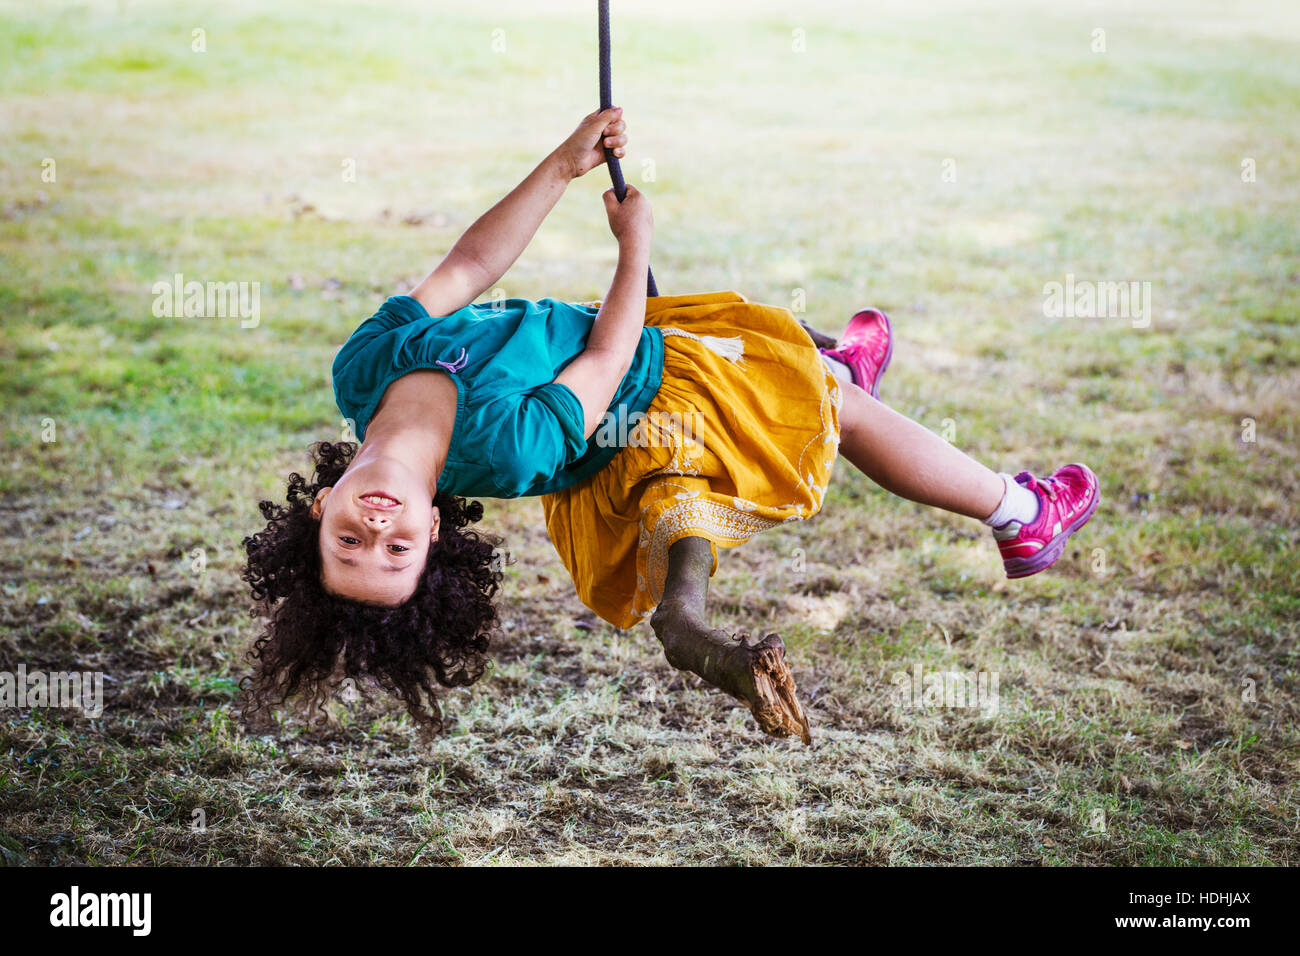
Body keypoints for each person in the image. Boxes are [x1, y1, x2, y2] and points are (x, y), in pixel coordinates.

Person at [242, 108, 1099, 742]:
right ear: (433, 530)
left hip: (628, 350)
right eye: (398, 555)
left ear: (322, 510)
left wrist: (559, 167)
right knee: (836, 412)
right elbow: (610, 358)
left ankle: (824, 369)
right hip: (651, 401)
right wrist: (632, 247)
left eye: (352, 546)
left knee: (778, 347)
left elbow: (467, 264)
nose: (379, 534)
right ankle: (1018, 515)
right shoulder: (503, 445)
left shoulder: (363, 370)